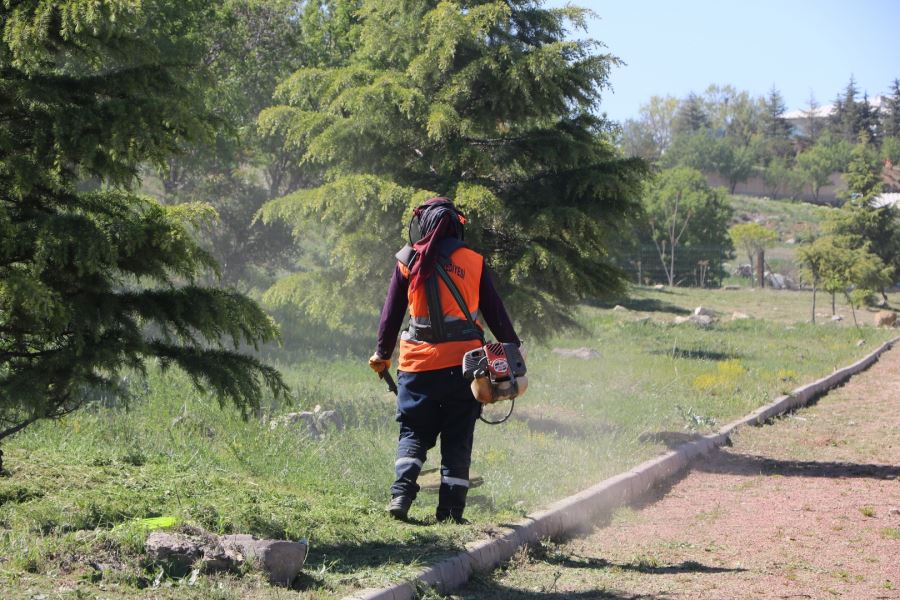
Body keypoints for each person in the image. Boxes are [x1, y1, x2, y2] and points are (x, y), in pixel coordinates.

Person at [368, 197, 520, 523]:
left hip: (416, 365)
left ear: (422, 224)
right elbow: (495, 312)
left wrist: (382, 354)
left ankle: (400, 496)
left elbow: (391, 315)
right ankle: (449, 514)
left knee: (413, 431)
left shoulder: (407, 259)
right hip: (466, 367)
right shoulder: (474, 261)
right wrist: (512, 349)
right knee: (458, 434)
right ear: (456, 225)